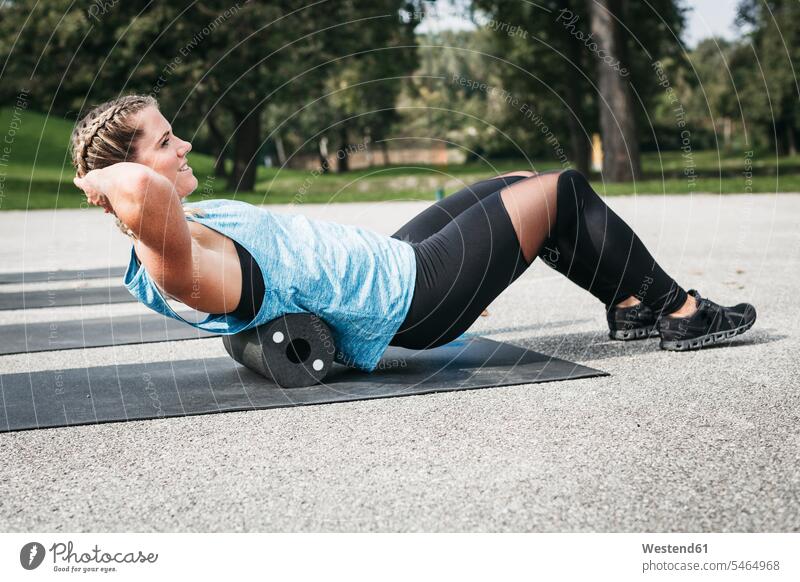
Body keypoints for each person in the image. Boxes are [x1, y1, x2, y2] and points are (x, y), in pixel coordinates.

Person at [71, 95, 756, 371]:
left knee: (516, 182)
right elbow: (143, 190)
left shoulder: (184, 226)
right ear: (130, 172)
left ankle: (633, 304)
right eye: (166, 141)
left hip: (396, 263)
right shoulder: (168, 256)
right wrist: (96, 177)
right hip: (410, 296)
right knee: (564, 193)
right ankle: (682, 312)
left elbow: (149, 185)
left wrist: (118, 168)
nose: (184, 144)